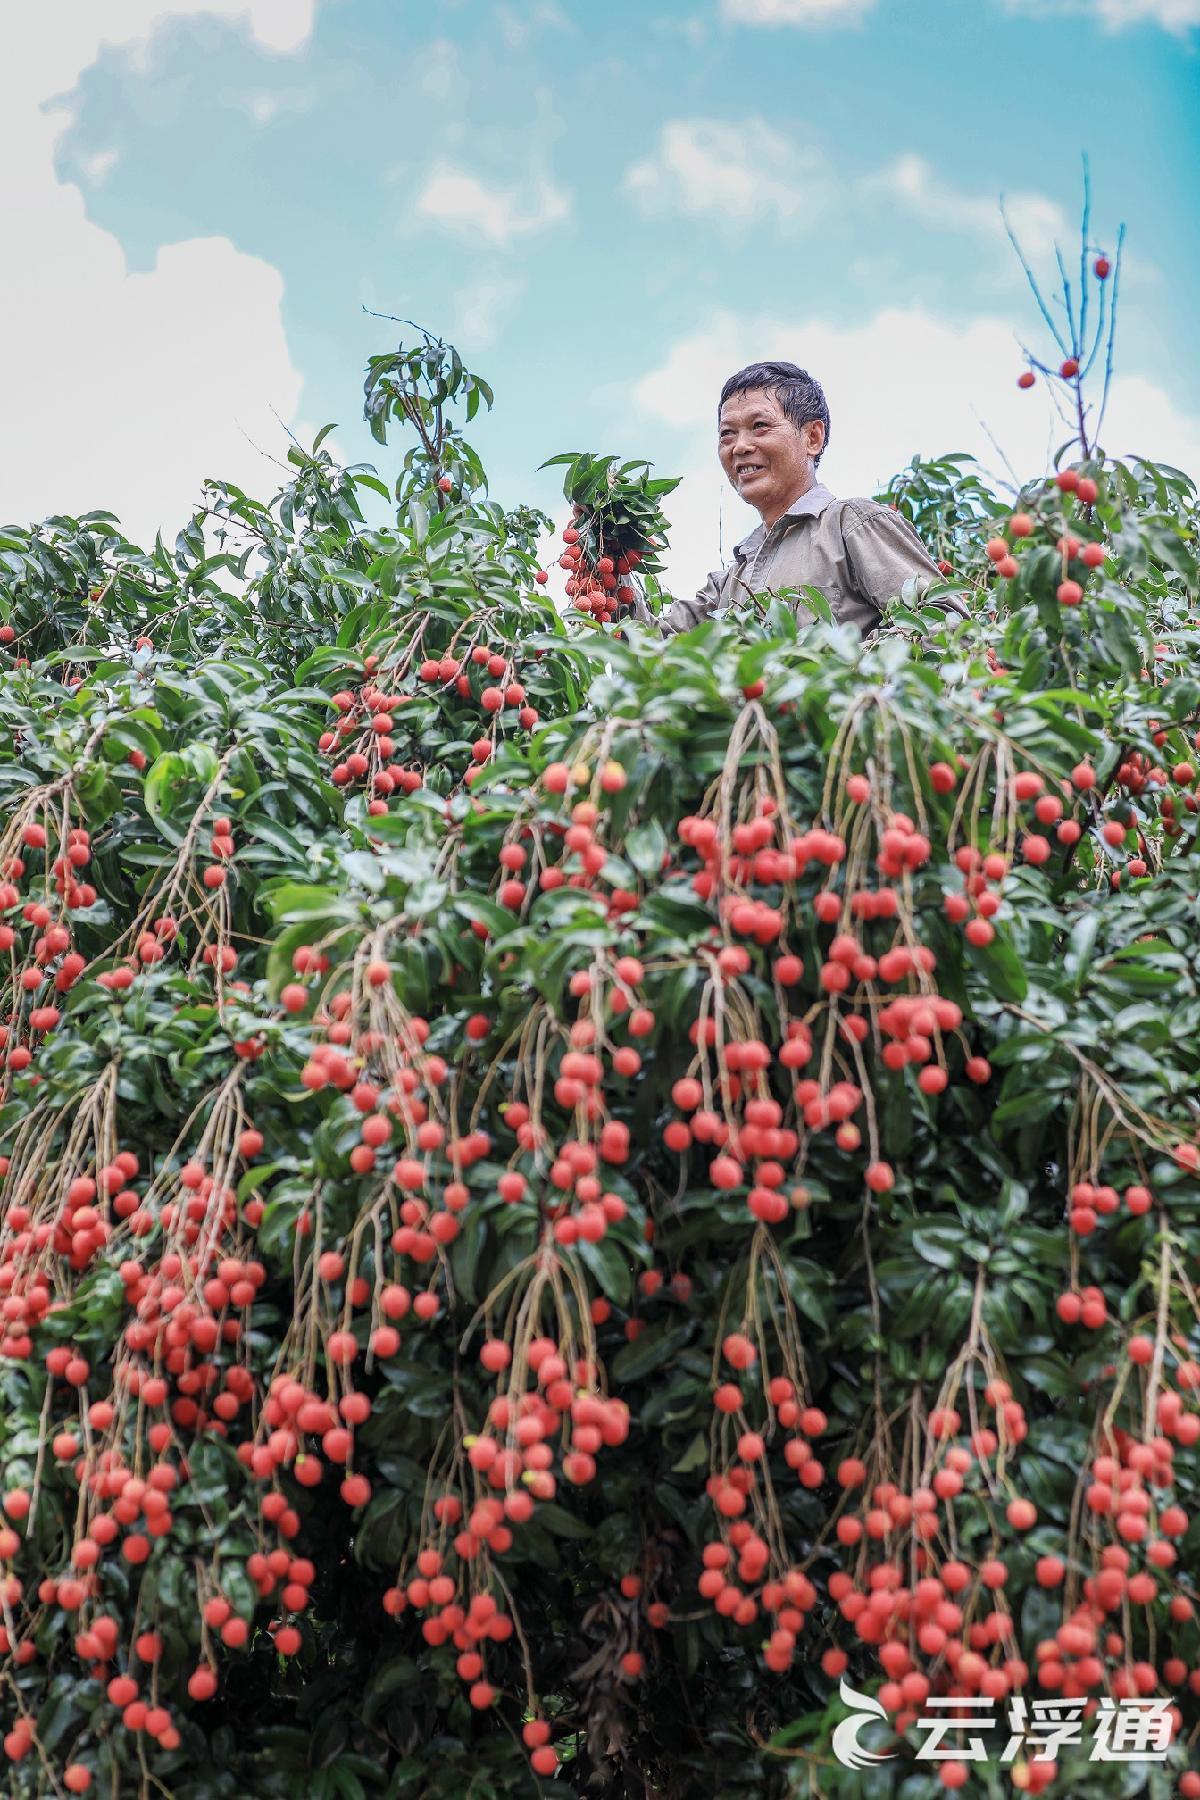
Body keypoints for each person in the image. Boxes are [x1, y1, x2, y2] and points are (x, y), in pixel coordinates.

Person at [634, 360, 959, 637]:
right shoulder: (730, 582)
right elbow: (652, 647)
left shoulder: (850, 524)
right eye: (727, 433)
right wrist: (601, 546)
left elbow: (943, 621)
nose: (740, 446)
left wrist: (849, 677)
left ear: (812, 437)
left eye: (759, 426)